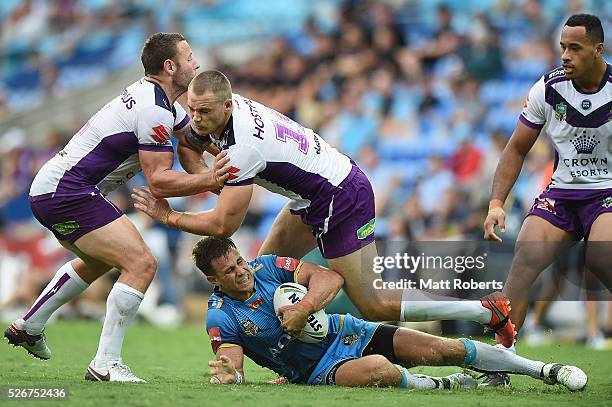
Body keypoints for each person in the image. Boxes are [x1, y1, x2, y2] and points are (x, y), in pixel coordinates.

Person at [132, 69, 517, 347]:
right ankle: (292, 359)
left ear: (228, 105)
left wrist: (168, 215)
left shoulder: (242, 147)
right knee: (265, 277)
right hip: (314, 194)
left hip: (340, 196)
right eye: (192, 110)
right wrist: (209, 177)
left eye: (204, 112)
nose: (197, 119)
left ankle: (484, 310)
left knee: (375, 303)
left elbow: (222, 227)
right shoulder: (225, 110)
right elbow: (191, 144)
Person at [4, 32, 230, 382]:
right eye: (188, 57)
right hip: (68, 192)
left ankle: (30, 325)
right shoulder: (153, 109)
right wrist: (216, 181)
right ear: (170, 67)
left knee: (98, 261)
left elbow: (193, 140)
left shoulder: (163, 103)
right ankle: (105, 364)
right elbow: (159, 181)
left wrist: (238, 171)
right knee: (141, 263)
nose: (196, 63)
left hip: (52, 190)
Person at [196, 236, 586, 391]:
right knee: (378, 369)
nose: (243, 271)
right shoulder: (220, 316)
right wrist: (232, 375)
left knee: (444, 347)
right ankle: (451, 386)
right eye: (230, 271)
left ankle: (544, 369)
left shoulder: (267, 266)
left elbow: (329, 277)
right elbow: (231, 365)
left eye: (241, 262)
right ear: (214, 279)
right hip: (316, 370)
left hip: (346, 331)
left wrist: (306, 307)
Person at [483, 14, 611, 385]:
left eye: (575, 48)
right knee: (523, 260)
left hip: (607, 192)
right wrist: (496, 204)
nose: (566, 56)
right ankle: (499, 363)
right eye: (562, 48)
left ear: (598, 50)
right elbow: (515, 149)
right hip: (563, 194)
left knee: (602, 255)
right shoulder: (547, 89)